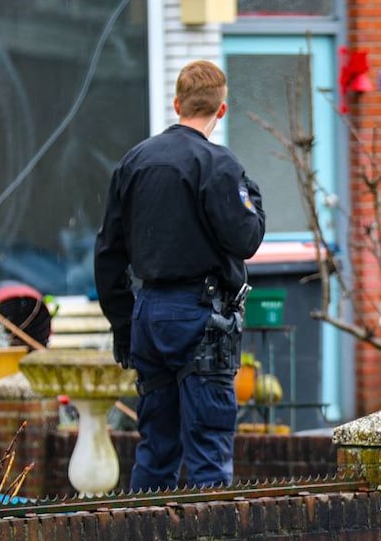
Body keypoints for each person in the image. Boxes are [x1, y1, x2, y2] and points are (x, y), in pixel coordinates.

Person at [93, 60, 265, 492]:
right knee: (208, 450)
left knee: (155, 450)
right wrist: (254, 198)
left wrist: (123, 324)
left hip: (148, 313)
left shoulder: (134, 162)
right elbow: (246, 239)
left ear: (176, 104)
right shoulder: (218, 165)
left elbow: (108, 253)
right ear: (221, 110)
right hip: (201, 317)